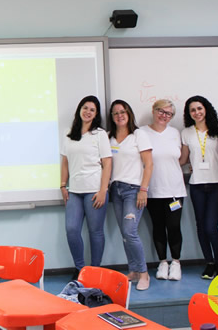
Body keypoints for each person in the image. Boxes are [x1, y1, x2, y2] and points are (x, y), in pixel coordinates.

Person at [60, 96, 112, 278]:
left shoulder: (100, 134)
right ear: (79, 109)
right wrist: (63, 185)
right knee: (72, 229)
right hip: (74, 191)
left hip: (94, 190)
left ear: (96, 114)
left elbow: (107, 163)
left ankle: (95, 270)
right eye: (85, 108)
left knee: (95, 231)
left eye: (92, 110)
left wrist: (103, 190)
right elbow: (65, 161)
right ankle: (80, 268)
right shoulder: (69, 133)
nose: (88, 112)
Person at [108, 100, 153, 291]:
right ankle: (133, 270)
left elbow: (149, 164)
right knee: (125, 234)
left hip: (133, 190)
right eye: (115, 113)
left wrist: (143, 189)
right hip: (115, 190)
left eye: (123, 112)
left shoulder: (138, 135)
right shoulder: (109, 137)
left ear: (129, 113)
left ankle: (144, 273)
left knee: (130, 231)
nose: (119, 115)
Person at [141, 99, 187, 281]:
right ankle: (162, 262)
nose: (164, 115)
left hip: (175, 191)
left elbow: (182, 159)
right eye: (161, 111)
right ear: (153, 110)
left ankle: (176, 262)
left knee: (174, 227)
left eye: (168, 113)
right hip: (152, 191)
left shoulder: (176, 133)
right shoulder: (142, 132)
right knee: (158, 227)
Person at [180, 96, 218, 280]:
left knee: (210, 226)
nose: (197, 112)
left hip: (217, 185)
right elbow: (183, 159)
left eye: (199, 108)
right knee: (200, 226)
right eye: (192, 110)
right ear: (189, 114)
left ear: (205, 109)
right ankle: (209, 263)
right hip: (197, 185)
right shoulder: (186, 133)